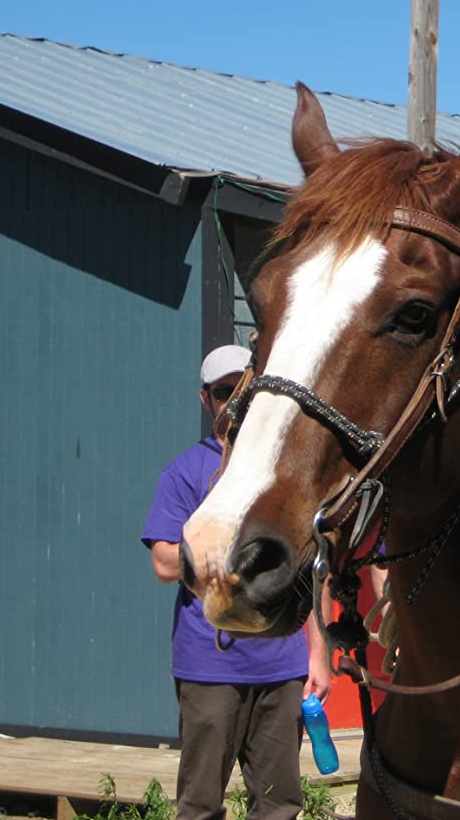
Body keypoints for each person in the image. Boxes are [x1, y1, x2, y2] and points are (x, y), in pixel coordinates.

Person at [142, 344, 333, 820]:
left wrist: (319, 654)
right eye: (223, 392)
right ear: (205, 399)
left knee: (280, 804)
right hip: (211, 666)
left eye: (242, 390)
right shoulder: (186, 472)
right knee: (200, 804)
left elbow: (312, 570)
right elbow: (163, 562)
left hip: (282, 666)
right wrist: (217, 555)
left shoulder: (286, 473)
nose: (234, 401)